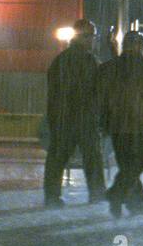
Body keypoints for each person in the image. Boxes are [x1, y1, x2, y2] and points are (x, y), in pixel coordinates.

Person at [96, 31, 143, 218]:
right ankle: (117, 195)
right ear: (140, 46)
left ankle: (134, 204)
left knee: (128, 165)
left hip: (117, 126)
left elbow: (100, 98)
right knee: (137, 164)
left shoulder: (109, 68)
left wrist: (102, 121)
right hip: (140, 125)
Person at [43, 19, 105, 207]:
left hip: (64, 119)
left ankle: (52, 196)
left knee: (57, 158)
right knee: (92, 158)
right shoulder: (90, 61)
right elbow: (98, 91)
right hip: (84, 119)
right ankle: (97, 194)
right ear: (83, 37)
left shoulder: (61, 60)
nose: (93, 40)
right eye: (92, 36)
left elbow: (54, 92)